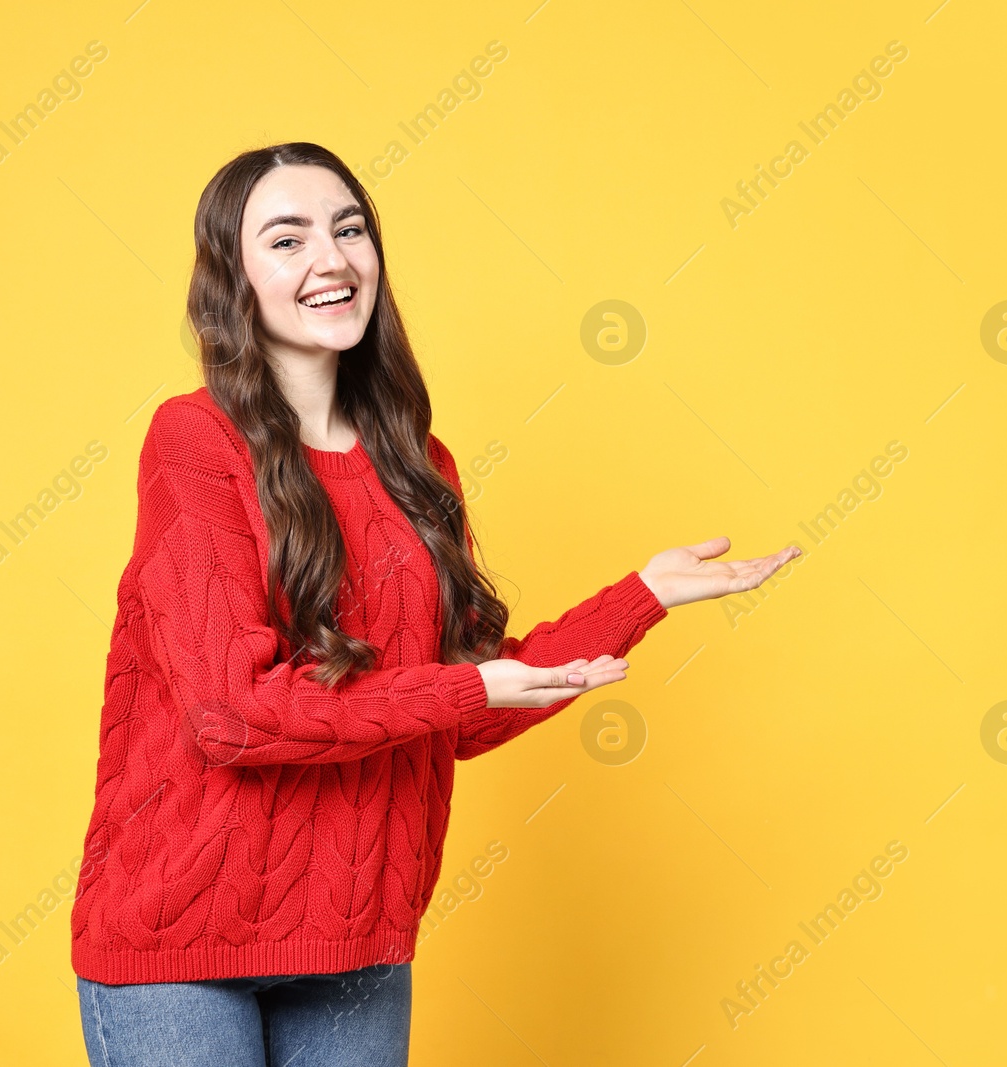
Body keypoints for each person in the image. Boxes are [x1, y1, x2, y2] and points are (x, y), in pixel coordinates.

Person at [70, 141, 800, 1066]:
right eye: (286, 239)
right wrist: (470, 689)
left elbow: (450, 705)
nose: (331, 259)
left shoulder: (419, 463)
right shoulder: (194, 441)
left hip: (359, 933)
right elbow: (232, 715)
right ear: (234, 279)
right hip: (181, 941)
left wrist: (642, 594)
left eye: (348, 229)